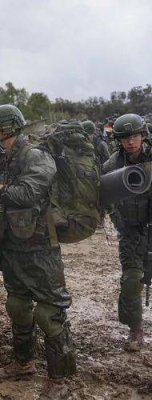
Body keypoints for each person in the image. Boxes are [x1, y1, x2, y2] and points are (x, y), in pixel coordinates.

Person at [0, 105, 76, 399]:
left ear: (7, 129)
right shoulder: (2, 160)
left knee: (49, 314)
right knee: (18, 307)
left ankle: (59, 380)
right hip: (13, 249)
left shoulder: (35, 156)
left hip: (40, 250)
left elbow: (26, 194)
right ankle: (23, 363)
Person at [102, 113, 152, 353]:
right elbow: (106, 199)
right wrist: (120, 223)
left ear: (143, 135)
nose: (131, 142)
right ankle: (135, 329)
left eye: (134, 136)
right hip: (131, 232)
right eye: (125, 138)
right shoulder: (112, 166)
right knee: (132, 280)